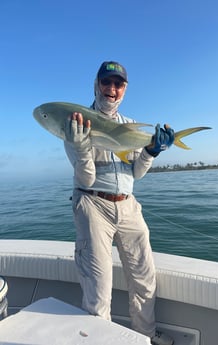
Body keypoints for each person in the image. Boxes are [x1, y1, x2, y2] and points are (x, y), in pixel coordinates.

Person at [64, 61, 174, 345]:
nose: (111, 90)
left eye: (118, 84)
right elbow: (86, 179)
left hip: (128, 205)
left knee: (144, 279)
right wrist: (79, 145)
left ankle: (145, 337)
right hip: (93, 204)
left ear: (124, 89)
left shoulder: (129, 126)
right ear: (96, 84)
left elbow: (136, 172)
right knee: (99, 288)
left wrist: (151, 151)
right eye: (106, 82)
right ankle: (99, 340)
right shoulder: (77, 123)